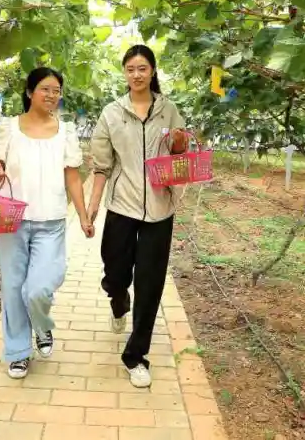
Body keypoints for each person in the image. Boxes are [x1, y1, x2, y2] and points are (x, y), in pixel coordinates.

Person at [87, 45, 187, 388]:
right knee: (115, 273)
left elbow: (180, 154)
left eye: (143, 68)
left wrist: (177, 142)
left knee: (150, 283)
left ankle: (136, 355)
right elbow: (101, 165)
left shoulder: (168, 110)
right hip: (122, 207)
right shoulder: (112, 113)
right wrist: (92, 207)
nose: (137, 74)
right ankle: (118, 299)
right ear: (124, 73)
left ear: (153, 70)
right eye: (130, 69)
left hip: (160, 209)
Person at [0, 67, 92, 379]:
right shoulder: (9, 127)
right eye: (46, 89)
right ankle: (18, 352)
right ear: (30, 91)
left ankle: (42, 326)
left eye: (57, 90)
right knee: (13, 287)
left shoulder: (66, 131)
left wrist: (84, 216)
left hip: (51, 221)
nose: (52, 95)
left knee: (39, 289)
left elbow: (73, 176)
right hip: (11, 220)